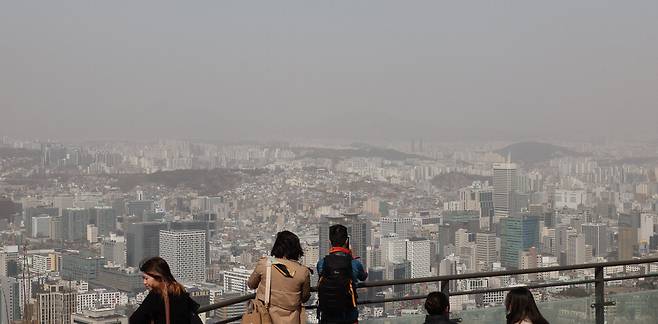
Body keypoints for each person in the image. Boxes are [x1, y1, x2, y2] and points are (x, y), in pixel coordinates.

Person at [247, 230, 311, 324]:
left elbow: (251, 284)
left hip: (265, 316)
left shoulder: (265, 264)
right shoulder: (303, 271)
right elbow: (305, 297)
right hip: (292, 319)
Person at [316, 224, 368, 324]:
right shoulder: (354, 263)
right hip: (348, 316)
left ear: (330, 242)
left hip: (327, 316)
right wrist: (351, 256)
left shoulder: (322, 263)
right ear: (346, 241)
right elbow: (363, 277)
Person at [129, 256, 202, 324]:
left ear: (158, 277)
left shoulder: (156, 295)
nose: (144, 282)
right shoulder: (179, 290)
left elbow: (135, 320)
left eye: (146, 278)